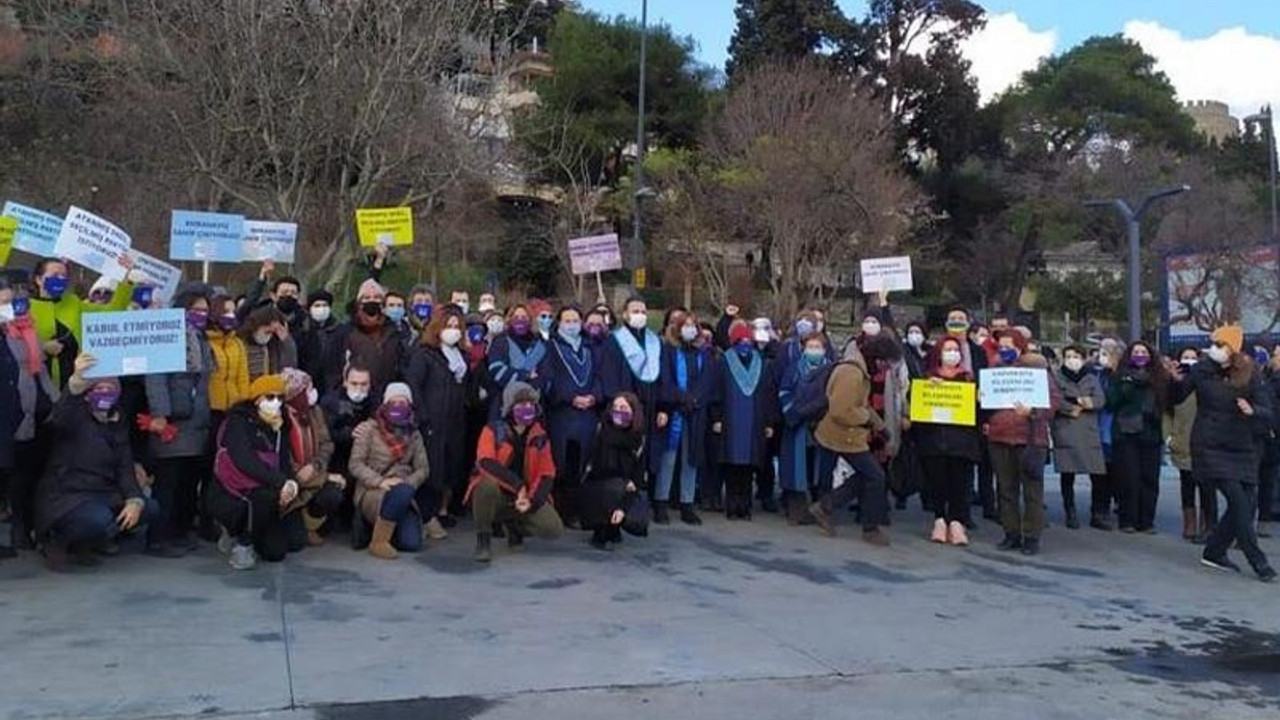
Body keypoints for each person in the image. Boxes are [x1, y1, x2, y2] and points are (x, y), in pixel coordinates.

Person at [1169, 326, 1276, 582]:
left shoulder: (1251, 373)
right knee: (1239, 502)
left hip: (1240, 444)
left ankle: (1215, 551)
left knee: (1248, 501)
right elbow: (1177, 397)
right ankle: (1259, 561)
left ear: (1234, 349)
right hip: (1209, 445)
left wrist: (1253, 410)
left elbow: (1267, 409)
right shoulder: (1201, 370)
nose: (1214, 349)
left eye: (1220, 344)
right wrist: (1173, 382)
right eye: (1213, 344)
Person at [34, 354, 159, 571]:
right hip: (67, 495)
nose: (104, 394)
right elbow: (61, 413)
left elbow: (124, 466)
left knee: (150, 508)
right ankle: (58, 540)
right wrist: (75, 382)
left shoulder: (118, 419)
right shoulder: (73, 415)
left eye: (109, 388)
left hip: (104, 493)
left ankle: (93, 541)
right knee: (98, 519)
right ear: (87, 392)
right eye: (97, 388)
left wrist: (134, 499)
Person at [144, 284, 215, 558]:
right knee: (167, 483)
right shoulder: (167, 335)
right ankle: (157, 539)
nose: (201, 314)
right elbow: (156, 377)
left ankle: (179, 532)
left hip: (197, 419)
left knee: (187, 482)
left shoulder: (201, 338)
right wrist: (161, 413)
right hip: (173, 420)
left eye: (205, 310)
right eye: (196, 310)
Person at [208, 374, 301, 570]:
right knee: (263, 497)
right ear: (257, 399)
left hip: (266, 487)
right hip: (233, 490)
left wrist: (290, 484)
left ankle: (253, 535)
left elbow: (284, 460)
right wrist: (279, 482)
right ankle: (242, 541)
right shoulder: (238, 422)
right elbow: (245, 461)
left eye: (279, 398)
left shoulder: (280, 426)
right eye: (269, 397)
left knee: (277, 552)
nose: (275, 402)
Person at [465, 382, 563, 562]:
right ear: (510, 407)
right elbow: (485, 462)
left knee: (553, 528)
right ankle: (483, 540)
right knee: (486, 484)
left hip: (526, 496)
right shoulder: (492, 430)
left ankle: (515, 526)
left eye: (530, 404)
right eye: (521, 404)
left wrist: (531, 501)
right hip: (500, 494)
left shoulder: (540, 435)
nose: (526, 409)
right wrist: (518, 486)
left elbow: (547, 473)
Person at [808, 340, 891, 547]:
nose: (886, 368)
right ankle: (869, 528)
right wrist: (867, 420)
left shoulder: (857, 370)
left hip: (842, 433)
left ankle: (826, 506)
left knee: (868, 475)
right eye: (885, 363)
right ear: (877, 358)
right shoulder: (852, 374)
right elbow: (842, 410)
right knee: (875, 476)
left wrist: (880, 426)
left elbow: (860, 405)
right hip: (843, 434)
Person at [985, 331, 1061, 555]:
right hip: (1000, 436)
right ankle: (1011, 533)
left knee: (1032, 491)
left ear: (1021, 347)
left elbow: (1053, 401)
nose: (1004, 350)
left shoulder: (1037, 372)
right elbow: (987, 406)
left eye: (1009, 345)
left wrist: (1034, 411)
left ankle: (1031, 537)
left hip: (1030, 437)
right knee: (1006, 489)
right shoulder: (994, 371)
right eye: (1001, 346)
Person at [0, 278, 56, 552]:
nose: (11, 308)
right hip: (15, 411)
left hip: (39, 407)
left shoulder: (28, 329)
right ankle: (19, 528)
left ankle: (36, 526)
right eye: (4, 303)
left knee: (36, 471)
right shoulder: (4, 336)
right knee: (17, 474)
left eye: (13, 302)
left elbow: (39, 367)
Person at [405, 307, 472, 538]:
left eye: (457, 327)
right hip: (431, 421)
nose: (453, 331)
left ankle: (442, 510)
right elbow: (413, 385)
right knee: (431, 469)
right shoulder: (425, 354)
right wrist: (423, 417)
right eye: (448, 326)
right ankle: (427, 515)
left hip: (455, 421)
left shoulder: (461, 357)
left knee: (450, 467)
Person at [537, 305, 604, 529]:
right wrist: (570, 397)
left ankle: (575, 510)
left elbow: (598, 376)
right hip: (562, 415)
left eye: (576, 320)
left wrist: (594, 397)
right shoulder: (551, 347)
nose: (572, 324)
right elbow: (548, 379)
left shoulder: (589, 347)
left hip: (587, 415)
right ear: (559, 323)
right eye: (567, 320)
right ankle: (558, 509)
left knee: (581, 464)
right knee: (561, 463)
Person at [349, 382, 430, 560]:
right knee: (400, 494)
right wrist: (380, 481)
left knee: (411, 544)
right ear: (385, 404)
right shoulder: (369, 429)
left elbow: (423, 469)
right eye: (394, 402)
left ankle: (383, 527)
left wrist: (406, 484)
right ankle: (378, 542)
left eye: (403, 402)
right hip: (373, 491)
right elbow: (355, 464)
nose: (398, 406)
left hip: (402, 491)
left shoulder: (414, 434)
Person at [30, 256, 136, 388]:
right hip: (37, 384)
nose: (60, 279)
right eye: (55, 275)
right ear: (39, 279)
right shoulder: (24, 308)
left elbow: (112, 312)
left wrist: (127, 279)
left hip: (74, 382)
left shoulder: (73, 303)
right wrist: (43, 347)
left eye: (64, 276)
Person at [914, 336, 980, 546]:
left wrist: (978, 399)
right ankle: (940, 520)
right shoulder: (928, 378)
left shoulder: (968, 379)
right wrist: (930, 387)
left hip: (962, 442)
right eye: (947, 350)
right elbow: (917, 405)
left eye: (955, 350)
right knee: (937, 483)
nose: (952, 354)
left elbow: (977, 413)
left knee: (959, 484)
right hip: (934, 441)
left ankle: (957, 522)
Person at [655, 311, 713, 524]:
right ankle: (660, 502)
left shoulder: (703, 353)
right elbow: (665, 379)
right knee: (668, 459)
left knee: (691, 459)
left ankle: (687, 504)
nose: (690, 329)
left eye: (693, 325)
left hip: (695, 412)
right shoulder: (669, 350)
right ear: (677, 329)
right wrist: (682, 399)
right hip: (674, 410)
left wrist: (695, 400)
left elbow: (707, 380)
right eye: (685, 325)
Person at [1106, 340, 1170, 534]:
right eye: (1136, 352)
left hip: (1151, 432)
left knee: (1149, 479)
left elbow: (1167, 401)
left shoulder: (1159, 378)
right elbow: (1111, 402)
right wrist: (1127, 386)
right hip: (1126, 433)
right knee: (1128, 478)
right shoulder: (1120, 376)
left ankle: (1147, 521)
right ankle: (1127, 520)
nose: (1140, 355)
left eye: (1144, 352)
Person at [601, 297, 667, 484]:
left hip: (651, 405)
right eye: (635, 311)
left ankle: (646, 499)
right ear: (625, 314)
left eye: (643, 312)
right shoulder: (615, 341)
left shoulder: (654, 341)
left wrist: (663, 406)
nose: (640, 315)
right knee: (625, 454)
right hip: (625, 408)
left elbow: (662, 377)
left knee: (647, 455)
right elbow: (610, 374)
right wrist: (617, 404)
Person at [279, 369, 345, 547]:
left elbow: (326, 443)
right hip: (291, 481)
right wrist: (323, 476)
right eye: (308, 389)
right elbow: (283, 459)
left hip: (313, 475)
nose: (312, 392)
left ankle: (309, 525)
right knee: (294, 544)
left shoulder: (314, 412)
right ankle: (294, 521)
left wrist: (316, 465)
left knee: (333, 494)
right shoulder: (279, 417)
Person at [1053, 345, 1109, 531]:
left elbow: (1100, 400)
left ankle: (1097, 513)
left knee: (1098, 474)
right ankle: (1070, 512)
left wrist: (1081, 402)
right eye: (1068, 356)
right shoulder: (1055, 376)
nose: (1072, 359)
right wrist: (1070, 408)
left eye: (1076, 356)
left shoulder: (1092, 377)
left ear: (1084, 359)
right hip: (1066, 429)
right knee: (1067, 474)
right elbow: (1055, 398)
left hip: (1089, 431)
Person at [581, 393, 647, 551]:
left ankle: (617, 524)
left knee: (638, 512)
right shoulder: (602, 431)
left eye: (623, 408)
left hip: (624, 486)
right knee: (613, 488)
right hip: (600, 485)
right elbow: (597, 468)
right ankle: (601, 528)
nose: (618, 411)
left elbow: (639, 471)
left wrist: (631, 487)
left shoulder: (638, 438)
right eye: (615, 408)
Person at [777, 333, 831, 525]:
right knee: (796, 467)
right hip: (798, 425)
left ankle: (821, 508)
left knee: (819, 468)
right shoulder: (794, 369)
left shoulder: (832, 369)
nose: (814, 350)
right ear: (803, 348)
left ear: (824, 349)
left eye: (818, 346)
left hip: (823, 425)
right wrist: (796, 412)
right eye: (810, 346)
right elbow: (784, 393)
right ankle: (796, 509)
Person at [322, 279, 405, 396]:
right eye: (366, 298)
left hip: (385, 398)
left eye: (377, 297)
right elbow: (332, 371)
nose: (372, 301)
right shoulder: (344, 332)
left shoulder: (394, 332)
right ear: (358, 302)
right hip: (353, 397)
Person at [320, 365, 378, 528]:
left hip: (366, 459)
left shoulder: (375, 401)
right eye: (354, 383)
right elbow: (325, 436)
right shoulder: (330, 402)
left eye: (364, 384)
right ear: (345, 382)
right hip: (337, 458)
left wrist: (371, 427)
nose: (359, 388)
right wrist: (350, 433)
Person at [1167, 348, 1214, 541]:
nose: (1190, 361)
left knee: (1206, 486)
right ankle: (1190, 523)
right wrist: (1169, 437)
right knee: (1187, 484)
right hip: (1183, 440)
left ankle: (1207, 524)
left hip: (1204, 440)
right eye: (1185, 358)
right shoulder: (1174, 384)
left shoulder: (1206, 381)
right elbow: (1167, 412)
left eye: (1193, 358)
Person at [486, 303, 547, 419]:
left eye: (524, 317)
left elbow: (546, 373)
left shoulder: (540, 344)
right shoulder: (500, 341)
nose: (520, 320)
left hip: (535, 403)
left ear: (530, 320)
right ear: (509, 319)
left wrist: (535, 384)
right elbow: (497, 371)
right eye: (516, 317)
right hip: (504, 404)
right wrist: (526, 375)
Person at [207, 294, 251, 417]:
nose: (230, 316)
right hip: (210, 408)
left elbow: (243, 378)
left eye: (233, 311)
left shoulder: (237, 343)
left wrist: (243, 402)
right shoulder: (205, 342)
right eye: (226, 311)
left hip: (233, 408)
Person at [240, 303, 297, 382]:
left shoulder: (272, 346)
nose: (268, 336)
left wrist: (286, 340)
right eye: (267, 332)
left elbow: (288, 368)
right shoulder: (240, 344)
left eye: (272, 333)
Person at [1258, 343, 1280, 539]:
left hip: (1274, 436)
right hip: (1255, 435)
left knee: (1267, 479)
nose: (1275, 358)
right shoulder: (1261, 377)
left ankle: (1264, 518)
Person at [297, 290, 340, 391]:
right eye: (317, 305)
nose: (321, 308)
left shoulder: (339, 330)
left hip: (333, 383)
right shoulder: (302, 330)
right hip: (307, 383)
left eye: (325, 305)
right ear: (310, 308)